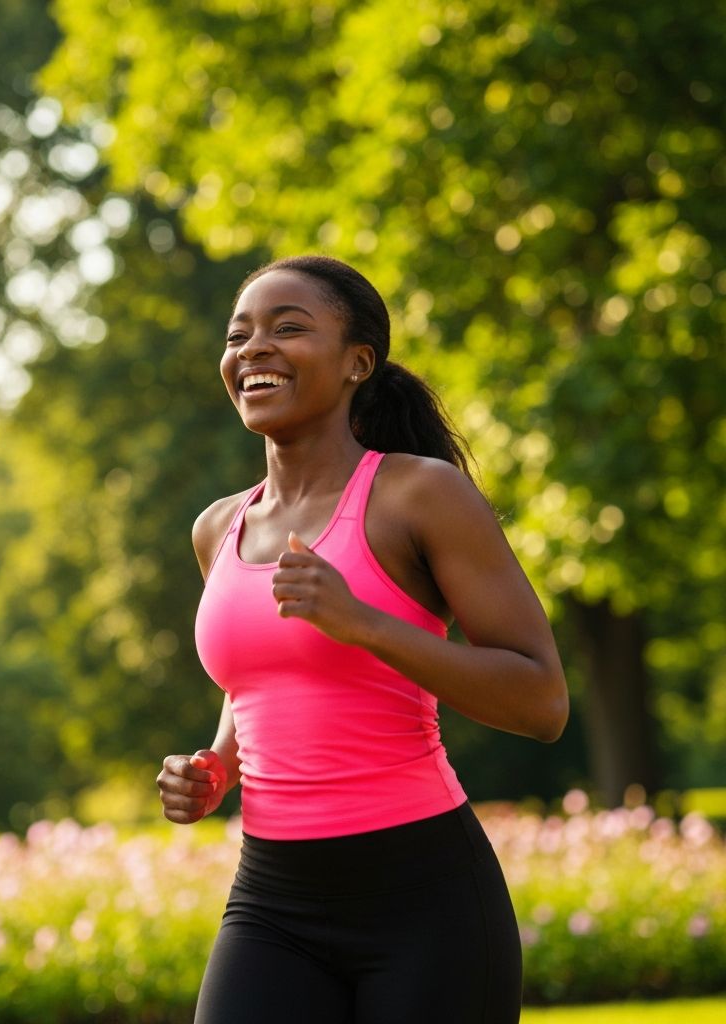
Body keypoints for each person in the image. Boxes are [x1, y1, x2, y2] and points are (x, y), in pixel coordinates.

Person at [156, 255, 568, 1023]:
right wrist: (215, 766)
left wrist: (364, 624)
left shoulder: (419, 494)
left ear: (358, 363)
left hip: (425, 901)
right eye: (238, 335)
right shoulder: (218, 528)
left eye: (288, 328)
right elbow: (260, 685)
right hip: (272, 903)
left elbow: (541, 702)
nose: (254, 348)